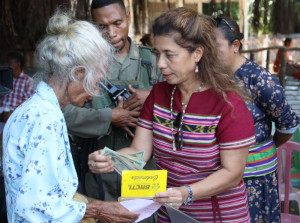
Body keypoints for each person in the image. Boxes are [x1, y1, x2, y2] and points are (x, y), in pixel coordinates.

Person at [88, 7, 257, 222]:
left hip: (220, 216)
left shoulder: (227, 104)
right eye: (158, 54)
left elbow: (232, 174)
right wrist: (110, 159)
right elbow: (139, 151)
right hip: (171, 214)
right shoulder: (158, 95)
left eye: (170, 55)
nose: (160, 64)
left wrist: (186, 193)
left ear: (197, 53)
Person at [2, 9, 139, 223]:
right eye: (96, 81)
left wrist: (100, 206)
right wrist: (101, 211)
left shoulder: (37, 109)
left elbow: (55, 192)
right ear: (77, 74)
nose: (95, 92)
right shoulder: (44, 118)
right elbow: (38, 206)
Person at [62, 0, 161, 205]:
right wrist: (110, 117)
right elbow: (64, 114)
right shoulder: (82, 64)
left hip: (143, 172)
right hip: (97, 171)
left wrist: (152, 96)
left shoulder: (154, 61)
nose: (111, 32)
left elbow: (182, 102)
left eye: (117, 23)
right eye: (102, 27)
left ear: (128, 17)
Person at [215, 17, 300, 222]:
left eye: (215, 46)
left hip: (255, 176)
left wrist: (263, 146)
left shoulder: (260, 80)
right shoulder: (211, 77)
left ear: (235, 45)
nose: (208, 54)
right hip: (219, 175)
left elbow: (287, 125)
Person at [0, 52, 35, 122]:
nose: (6, 65)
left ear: (18, 64)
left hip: (16, 115)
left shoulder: (28, 81)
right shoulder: (4, 78)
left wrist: (13, 113)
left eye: (9, 63)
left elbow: (28, 102)